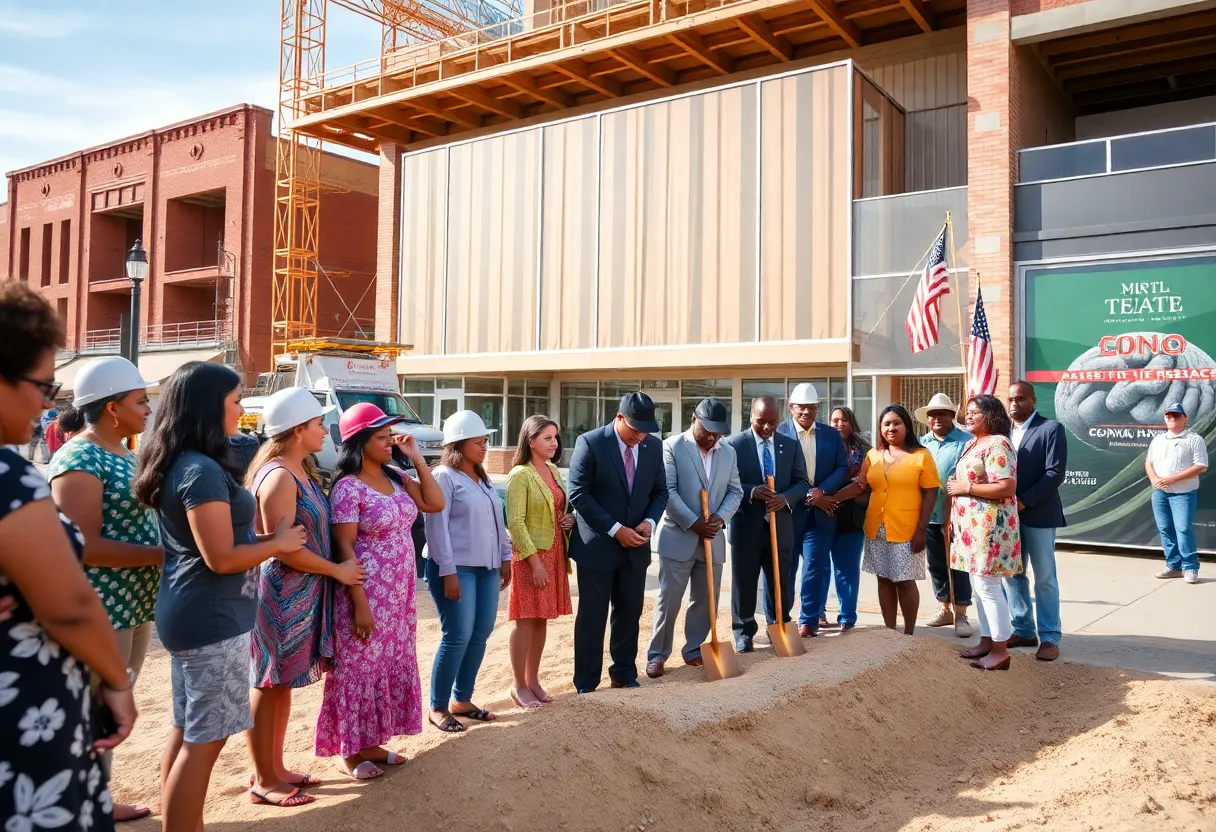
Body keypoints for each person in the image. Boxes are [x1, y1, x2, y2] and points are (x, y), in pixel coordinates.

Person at [132, 362, 308, 828]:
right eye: (234, 401)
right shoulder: (200, 471)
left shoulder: (191, 462)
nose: (240, 409)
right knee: (204, 743)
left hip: (196, 612)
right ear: (210, 407)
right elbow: (221, 558)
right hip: (210, 618)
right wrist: (278, 544)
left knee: (189, 731)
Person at [0, 283, 137, 832]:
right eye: (41, 384)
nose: (47, 402)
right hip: (25, 720)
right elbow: (68, 606)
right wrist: (118, 682)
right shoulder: (8, 478)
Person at [47, 356, 162, 824]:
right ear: (113, 408)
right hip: (101, 607)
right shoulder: (79, 456)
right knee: (93, 709)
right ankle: (83, 804)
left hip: (130, 605)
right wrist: (164, 555)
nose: (148, 410)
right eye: (140, 401)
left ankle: (96, 796)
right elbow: (83, 546)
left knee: (107, 711)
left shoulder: (122, 453)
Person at [246, 388, 367, 799]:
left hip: (301, 591)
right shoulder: (280, 476)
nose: (325, 430)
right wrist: (338, 570)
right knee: (269, 684)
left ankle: (274, 767)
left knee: (281, 684)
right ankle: (264, 780)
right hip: (283, 592)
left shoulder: (297, 469)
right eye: (318, 424)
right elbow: (285, 549)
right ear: (298, 430)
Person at [317, 402, 442, 777]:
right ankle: (350, 753)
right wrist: (359, 604)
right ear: (360, 442)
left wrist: (415, 457)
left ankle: (371, 743)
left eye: (391, 436)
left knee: (386, 663)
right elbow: (344, 549)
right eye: (382, 437)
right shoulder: (347, 487)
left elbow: (435, 503)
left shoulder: (397, 476)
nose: (390, 442)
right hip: (366, 593)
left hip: (399, 595)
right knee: (358, 667)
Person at [567, 392, 669, 692]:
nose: (640, 435)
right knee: (593, 616)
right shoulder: (591, 442)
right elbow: (579, 493)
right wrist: (615, 530)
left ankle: (624, 674)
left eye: (645, 430)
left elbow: (661, 492)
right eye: (635, 428)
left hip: (636, 547)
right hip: (597, 547)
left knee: (630, 612)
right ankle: (586, 682)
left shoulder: (653, 446)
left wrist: (649, 523)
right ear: (619, 418)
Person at [424, 410, 512, 725]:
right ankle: (437, 707)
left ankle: (461, 700)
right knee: (457, 634)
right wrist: (447, 571)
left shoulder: (483, 477)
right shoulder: (443, 477)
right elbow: (436, 528)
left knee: (481, 632)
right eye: (479, 442)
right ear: (458, 444)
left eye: (485, 441)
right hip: (455, 568)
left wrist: (505, 557)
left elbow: (497, 523)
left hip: (486, 568)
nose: (485, 447)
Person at [646, 399, 743, 677]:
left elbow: (735, 491)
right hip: (678, 536)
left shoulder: (728, 452)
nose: (712, 437)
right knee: (669, 601)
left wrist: (719, 518)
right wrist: (693, 522)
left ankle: (693, 650)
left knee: (705, 600)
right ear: (693, 420)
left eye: (718, 433)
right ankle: (657, 655)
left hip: (712, 537)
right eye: (708, 431)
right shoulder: (672, 447)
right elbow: (668, 491)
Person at [724, 395, 809, 653]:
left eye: (773, 422)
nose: (767, 428)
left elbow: (802, 482)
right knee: (744, 582)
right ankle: (744, 631)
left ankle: (779, 625)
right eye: (761, 422)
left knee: (780, 581)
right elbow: (726, 483)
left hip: (779, 526)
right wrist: (751, 492)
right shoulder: (733, 445)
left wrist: (784, 498)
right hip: (746, 526)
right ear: (751, 417)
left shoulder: (790, 445)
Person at [946, 395, 1022, 671]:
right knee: (979, 589)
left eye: (975, 412)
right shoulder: (971, 443)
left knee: (988, 588)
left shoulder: (998, 444)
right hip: (971, 529)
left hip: (990, 528)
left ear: (990, 415)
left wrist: (966, 488)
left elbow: (1006, 486)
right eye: (968, 411)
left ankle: (1001, 650)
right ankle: (987, 640)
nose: (968, 416)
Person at [505, 415, 574, 708]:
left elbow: (559, 506)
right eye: (547, 438)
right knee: (525, 621)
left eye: (555, 437)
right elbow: (516, 523)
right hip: (531, 557)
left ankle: (533, 680)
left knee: (542, 618)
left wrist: (568, 520)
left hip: (555, 553)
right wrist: (535, 563)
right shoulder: (520, 474)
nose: (554, 443)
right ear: (530, 441)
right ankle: (518, 685)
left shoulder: (553, 470)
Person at [856, 404, 938, 635]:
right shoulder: (873, 455)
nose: (891, 428)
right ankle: (889, 632)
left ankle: (909, 633)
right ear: (880, 428)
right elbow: (860, 486)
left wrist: (922, 529)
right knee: (884, 578)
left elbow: (931, 491)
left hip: (907, 528)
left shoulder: (921, 455)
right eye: (886, 424)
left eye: (896, 423)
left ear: (907, 426)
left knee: (904, 580)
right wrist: (829, 497)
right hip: (877, 527)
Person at [774, 383, 848, 637]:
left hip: (820, 514)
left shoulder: (830, 434)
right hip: (788, 512)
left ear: (818, 408)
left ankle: (809, 620)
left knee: (815, 567)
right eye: (801, 407)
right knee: (786, 568)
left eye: (811, 407)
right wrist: (805, 494)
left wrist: (822, 491)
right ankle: (781, 619)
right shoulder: (778, 433)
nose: (806, 411)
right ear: (791, 407)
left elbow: (842, 467)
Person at [1004, 381, 1068, 662]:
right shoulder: (1003, 433)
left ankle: (1050, 636)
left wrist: (1024, 500)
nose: (1014, 404)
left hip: (1039, 514)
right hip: (1008, 518)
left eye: (1020, 398)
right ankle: (1023, 629)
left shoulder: (1050, 429)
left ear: (1033, 400)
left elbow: (1054, 473)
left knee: (1045, 578)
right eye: (1010, 399)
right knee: (1012, 575)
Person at [915, 393, 974, 638]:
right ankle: (944, 608)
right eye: (933, 414)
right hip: (929, 513)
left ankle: (961, 613)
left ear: (952, 416)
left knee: (958, 565)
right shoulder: (920, 443)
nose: (937, 418)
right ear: (928, 419)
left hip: (957, 515)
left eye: (942, 413)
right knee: (936, 565)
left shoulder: (966, 441)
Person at [819, 406, 871, 631]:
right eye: (834, 420)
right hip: (820, 512)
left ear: (852, 422)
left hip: (851, 514)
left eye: (843, 420)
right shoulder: (820, 444)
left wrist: (834, 498)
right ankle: (816, 614)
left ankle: (847, 618)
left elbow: (861, 485)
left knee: (846, 569)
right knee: (818, 566)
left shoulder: (864, 448)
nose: (838, 424)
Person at [1146, 402, 1208, 585]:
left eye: (1176, 415)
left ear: (1185, 418)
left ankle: (1190, 567)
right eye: (1169, 415)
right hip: (1159, 492)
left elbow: (1201, 466)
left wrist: (1172, 479)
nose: (1172, 418)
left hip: (1183, 493)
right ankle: (1174, 566)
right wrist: (1155, 480)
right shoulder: (1158, 440)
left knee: (1182, 528)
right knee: (1165, 529)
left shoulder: (1194, 439)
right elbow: (1148, 463)